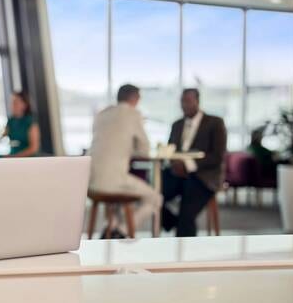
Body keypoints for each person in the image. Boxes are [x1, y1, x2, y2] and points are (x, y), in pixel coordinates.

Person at [88, 84, 161, 238]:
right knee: (155, 198)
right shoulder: (133, 114)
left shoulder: (101, 114)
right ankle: (121, 231)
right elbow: (144, 150)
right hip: (114, 181)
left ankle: (111, 225)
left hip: (92, 182)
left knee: (121, 199)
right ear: (135, 98)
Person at [162, 88, 227, 237]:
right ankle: (172, 221)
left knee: (187, 213)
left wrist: (188, 165)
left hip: (203, 176)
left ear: (197, 102)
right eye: (182, 101)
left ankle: (185, 251)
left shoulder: (215, 123)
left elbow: (217, 156)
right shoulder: (176, 124)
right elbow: (170, 150)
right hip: (177, 174)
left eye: (188, 101)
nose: (184, 105)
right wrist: (174, 163)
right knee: (153, 195)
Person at [3, 92, 41, 157]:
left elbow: (34, 148)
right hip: (12, 157)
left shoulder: (30, 122)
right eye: (12, 103)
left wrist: (15, 156)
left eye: (16, 103)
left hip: (27, 158)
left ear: (24, 105)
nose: (13, 105)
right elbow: (3, 136)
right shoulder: (11, 121)